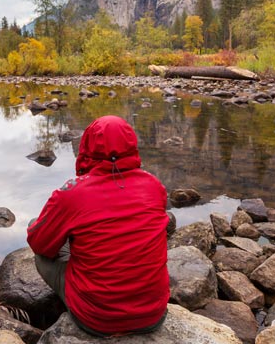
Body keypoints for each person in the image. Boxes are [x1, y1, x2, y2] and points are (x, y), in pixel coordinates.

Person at [27, 115, 169, 337]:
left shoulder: (71, 194)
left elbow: (39, 243)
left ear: (87, 146)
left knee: (37, 231)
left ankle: (77, 301)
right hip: (153, 315)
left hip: (96, 319)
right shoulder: (154, 186)